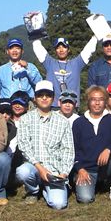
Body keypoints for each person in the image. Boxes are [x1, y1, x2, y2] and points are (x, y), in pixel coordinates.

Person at [15, 80, 74, 209]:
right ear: (35, 98)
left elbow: (68, 150)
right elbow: (24, 146)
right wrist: (40, 169)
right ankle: (33, 190)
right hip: (34, 167)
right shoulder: (25, 119)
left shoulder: (63, 122)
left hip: (54, 170)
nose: (44, 98)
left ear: (53, 98)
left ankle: (47, 189)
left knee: (58, 204)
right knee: (22, 172)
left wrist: (63, 174)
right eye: (40, 95)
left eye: (48, 95)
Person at [71, 86, 111, 204]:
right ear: (88, 101)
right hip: (87, 169)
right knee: (85, 199)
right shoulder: (78, 123)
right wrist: (80, 169)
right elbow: (74, 149)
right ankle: (93, 184)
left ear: (105, 102)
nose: (97, 103)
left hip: (105, 167)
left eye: (101, 99)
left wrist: (108, 149)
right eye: (93, 99)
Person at [32, 35, 96, 108]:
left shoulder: (77, 63)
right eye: (58, 47)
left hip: (72, 106)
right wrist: (35, 33)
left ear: (68, 50)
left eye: (64, 47)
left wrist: (95, 37)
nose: (61, 50)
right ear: (55, 50)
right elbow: (38, 47)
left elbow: (88, 50)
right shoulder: (49, 63)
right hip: (54, 107)